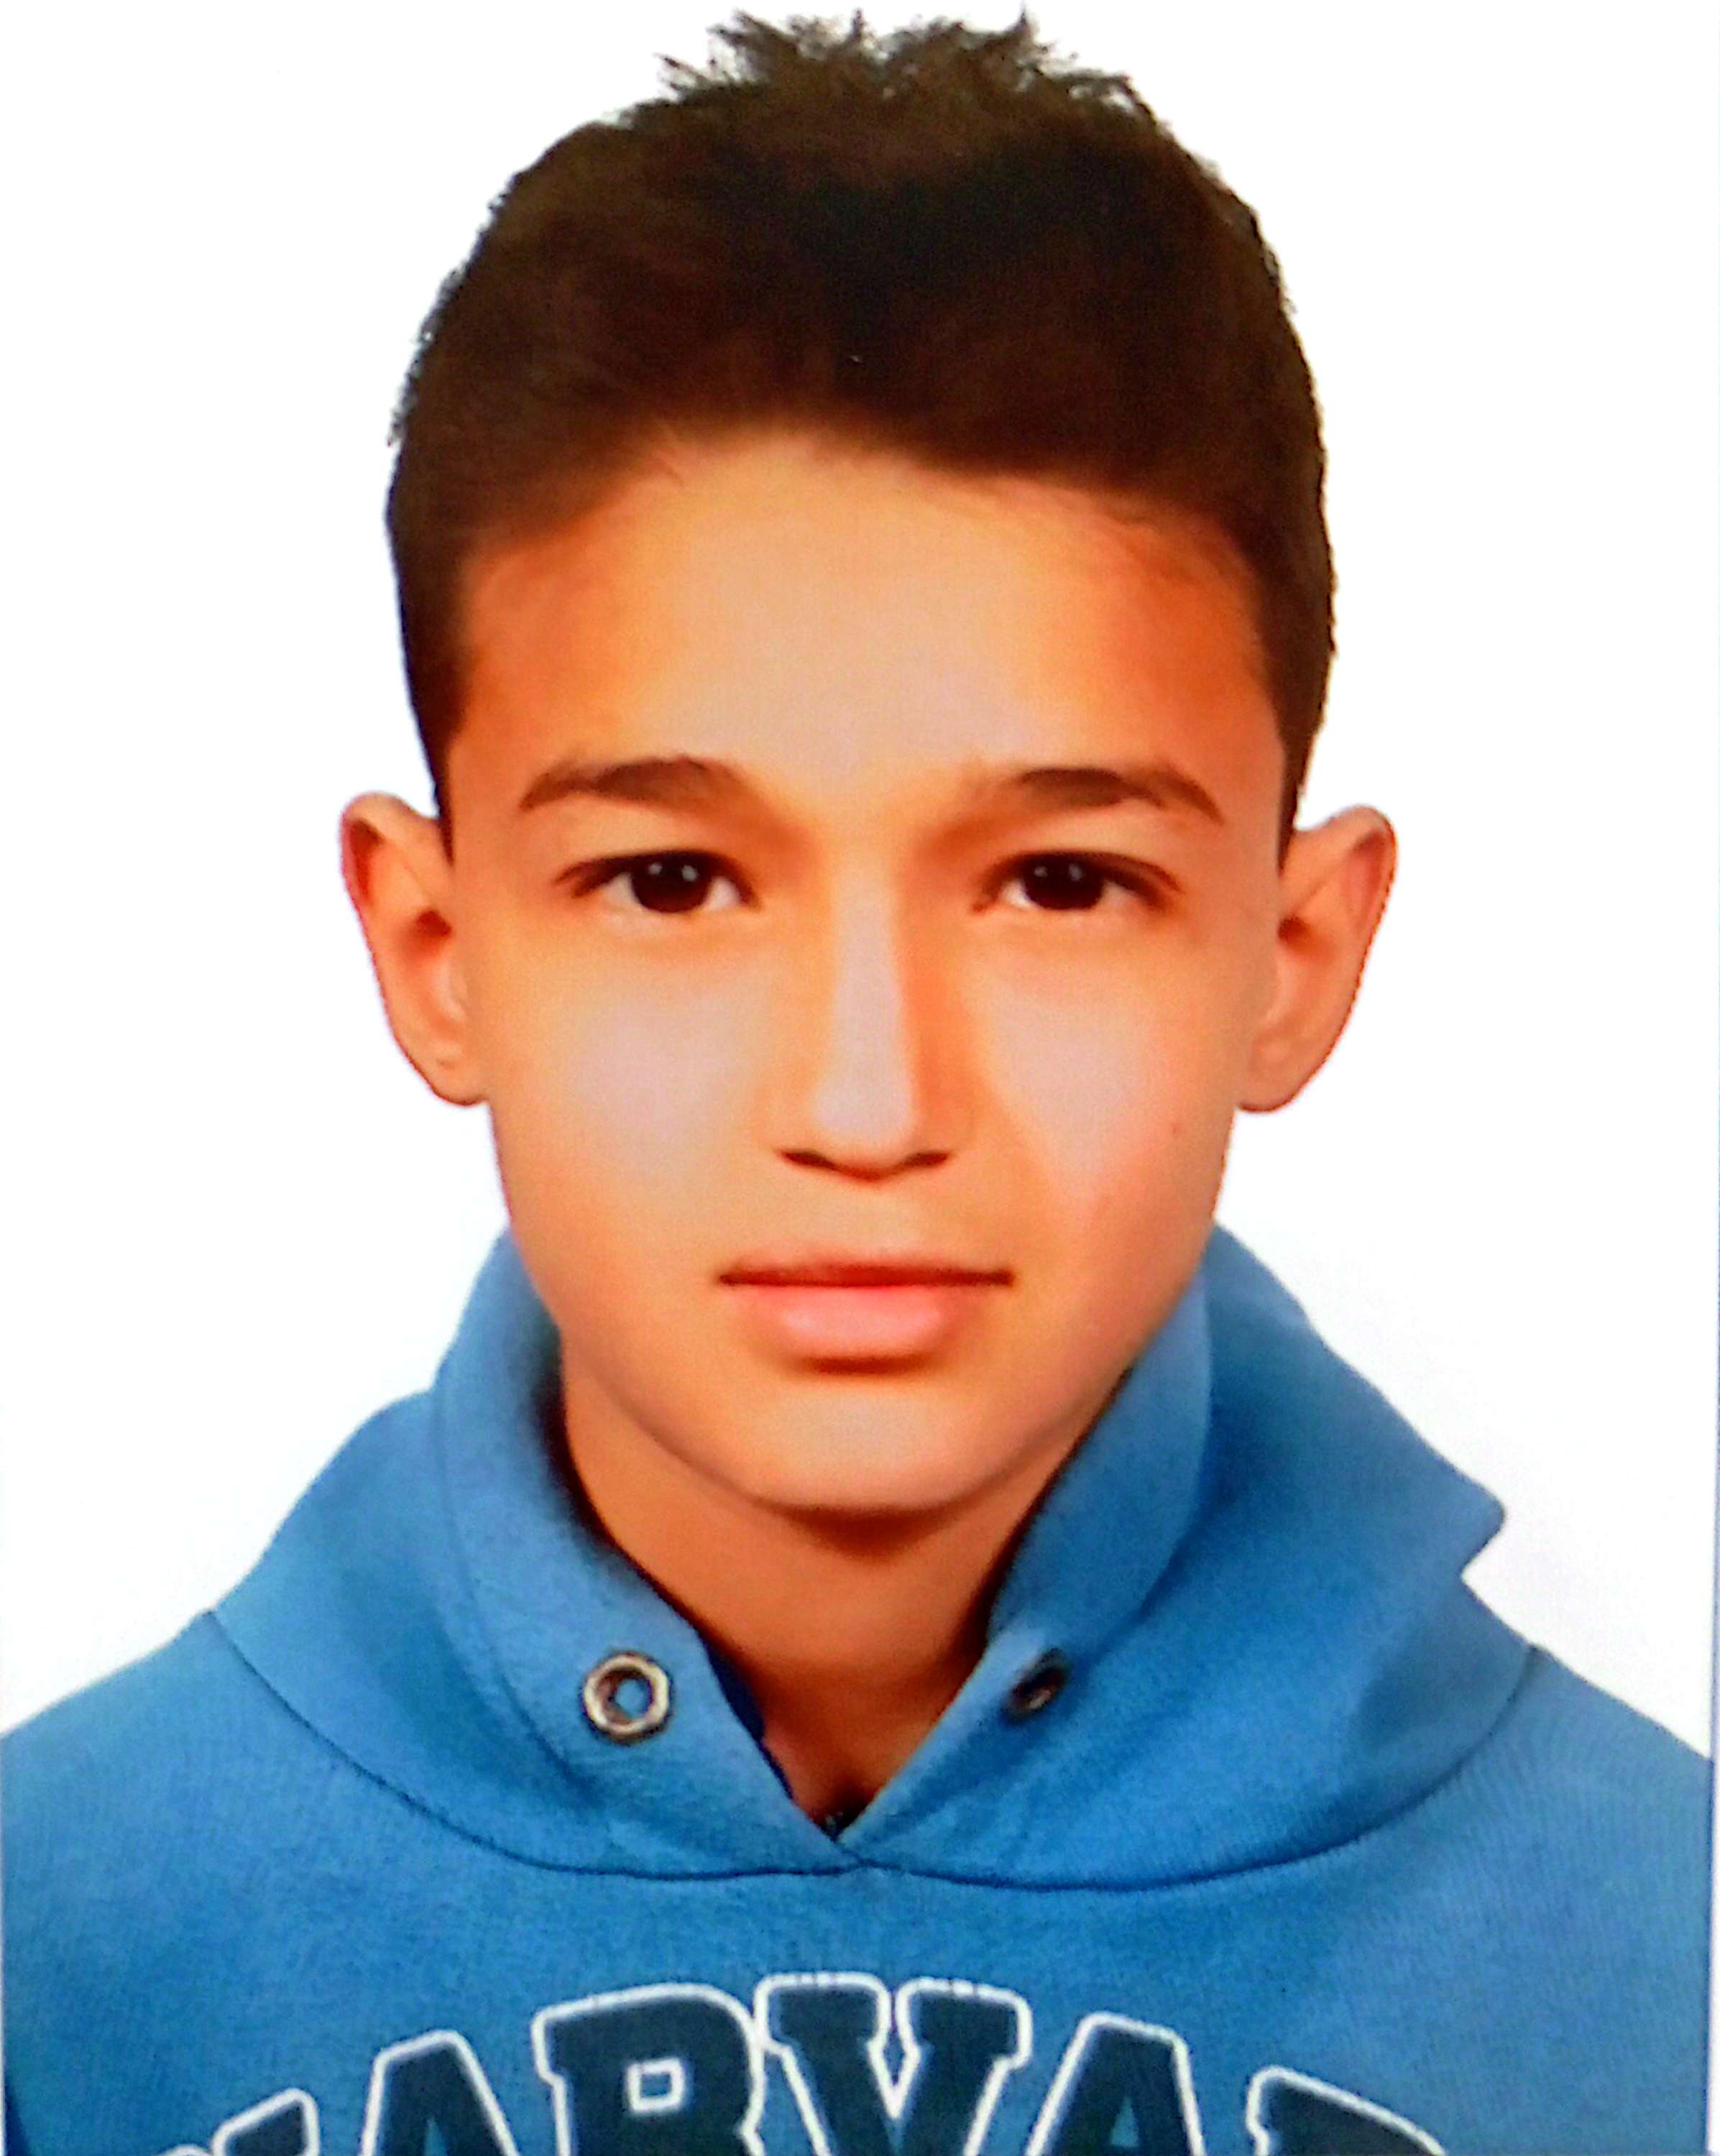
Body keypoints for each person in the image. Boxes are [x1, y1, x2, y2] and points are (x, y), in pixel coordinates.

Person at [3, 14, 1706, 2155]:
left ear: (1294, 958)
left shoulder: (1669, 1969)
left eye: (1060, 884)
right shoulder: (57, 1954)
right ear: (435, 952)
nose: (870, 1100)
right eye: (674, 880)